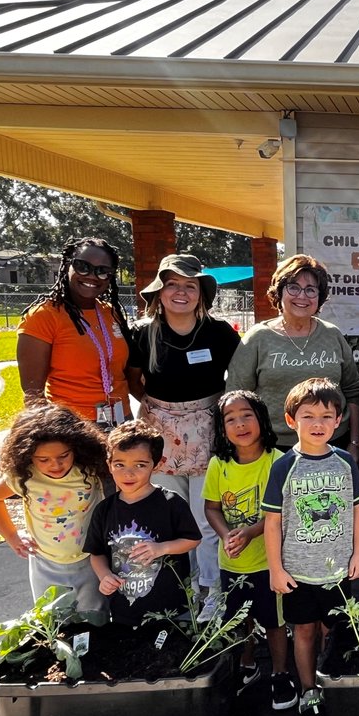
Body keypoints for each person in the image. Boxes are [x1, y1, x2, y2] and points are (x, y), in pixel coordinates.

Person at [128, 254, 239, 620]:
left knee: (206, 517)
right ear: (159, 292)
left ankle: (211, 590)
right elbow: (133, 376)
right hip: (160, 431)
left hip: (208, 427)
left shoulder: (219, 332)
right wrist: (149, 409)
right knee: (169, 516)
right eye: (172, 284)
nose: (181, 292)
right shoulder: (143, 333)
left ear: (200, 294)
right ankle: (177, 592)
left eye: (190, 285)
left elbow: (235, 379)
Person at [262, 378, 359, 716]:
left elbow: (357, 511)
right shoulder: (283, 467)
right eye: (308, 416)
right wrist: (276, 569)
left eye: (326, 416)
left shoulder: (345, 463)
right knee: (304, 631)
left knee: (335, 630)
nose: (318, 424)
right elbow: (273, 523)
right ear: (291, 421)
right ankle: (309, 691)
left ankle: (333, 683)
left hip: (338, 572)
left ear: (339, 421)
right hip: (298, 573)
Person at [226, 254, 359, 454]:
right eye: (293, 287)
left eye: (310, 290)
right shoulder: (259, 338)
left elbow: (353, 391)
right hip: (273, 447)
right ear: (279, 292)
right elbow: (237, 397)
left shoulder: (332, 335)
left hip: (333, 444)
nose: (302, 296)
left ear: (320, 296)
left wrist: (355, 443)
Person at [202, 390, 289, 705]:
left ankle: (280, 673)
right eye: (230, 419)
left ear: (262, 418)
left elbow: (283, 513)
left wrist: (251, 532)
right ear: (221, 428)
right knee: (240, 619)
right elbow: (212, 508)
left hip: (269, 563)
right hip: (233, 564)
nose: (240, 424)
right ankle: (247, 664)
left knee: (275, 621)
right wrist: (226, 534)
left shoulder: (278, 462)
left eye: (246, 415)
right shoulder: (218, 465)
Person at [0, 405, 111, 613]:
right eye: (43, 459)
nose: (56, 464)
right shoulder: (23, 476)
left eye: (64, 455)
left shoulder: (90, 467)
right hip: (46, 563)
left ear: (77, 448)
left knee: (95, 622)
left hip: (92, 561)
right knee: (52, 624)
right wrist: (12, 536)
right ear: (27, 455)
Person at [86, 420, 200, 626]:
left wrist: (161, 548)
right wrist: (104, 576)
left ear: (156, 465)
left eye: (140, 465)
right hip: (123, 609)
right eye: (119, 464)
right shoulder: (104, 510)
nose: (128, 474)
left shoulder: (170, 502)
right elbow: (96, 552)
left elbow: (192, 539)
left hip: (171, 609)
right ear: (109, 465)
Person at [17, 238, 133, 428]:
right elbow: (33, 394)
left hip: (120, 419)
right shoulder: (44, 316)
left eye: (103, 271)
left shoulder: (110, 312)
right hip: (72, 425)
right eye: (82, 266)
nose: (92, 276)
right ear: (67, 267)